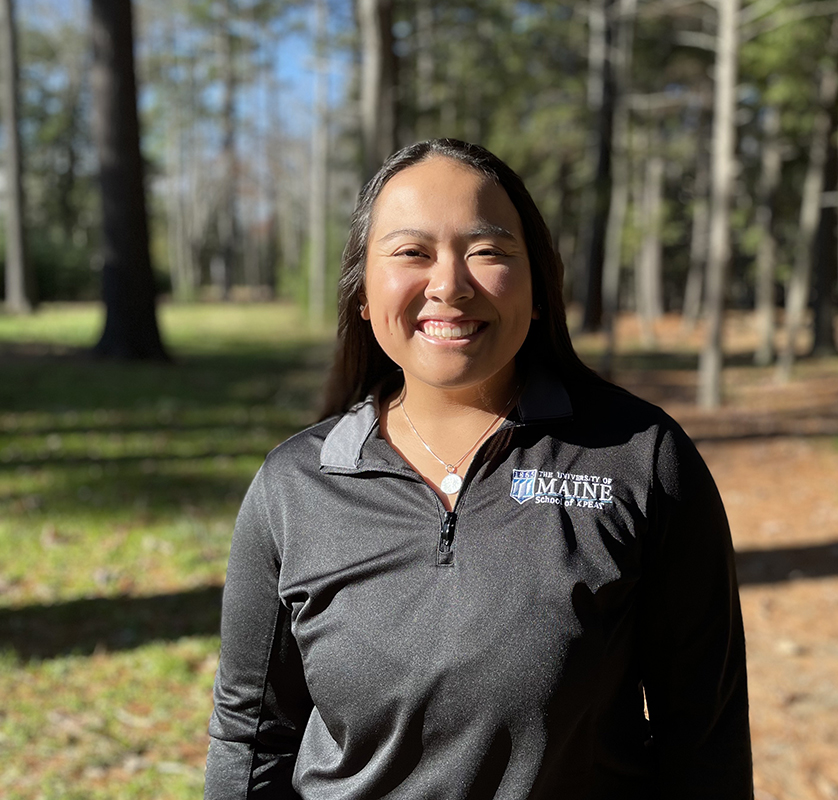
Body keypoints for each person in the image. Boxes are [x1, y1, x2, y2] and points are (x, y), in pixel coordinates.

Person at [204, 139, 752, 799]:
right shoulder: (295, 485)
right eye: (411, 252)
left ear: (540, 286)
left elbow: (704, 740)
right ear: (361, 293)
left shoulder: (641, 460)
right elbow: (251, 737)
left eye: (487, 251)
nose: (449, 285)